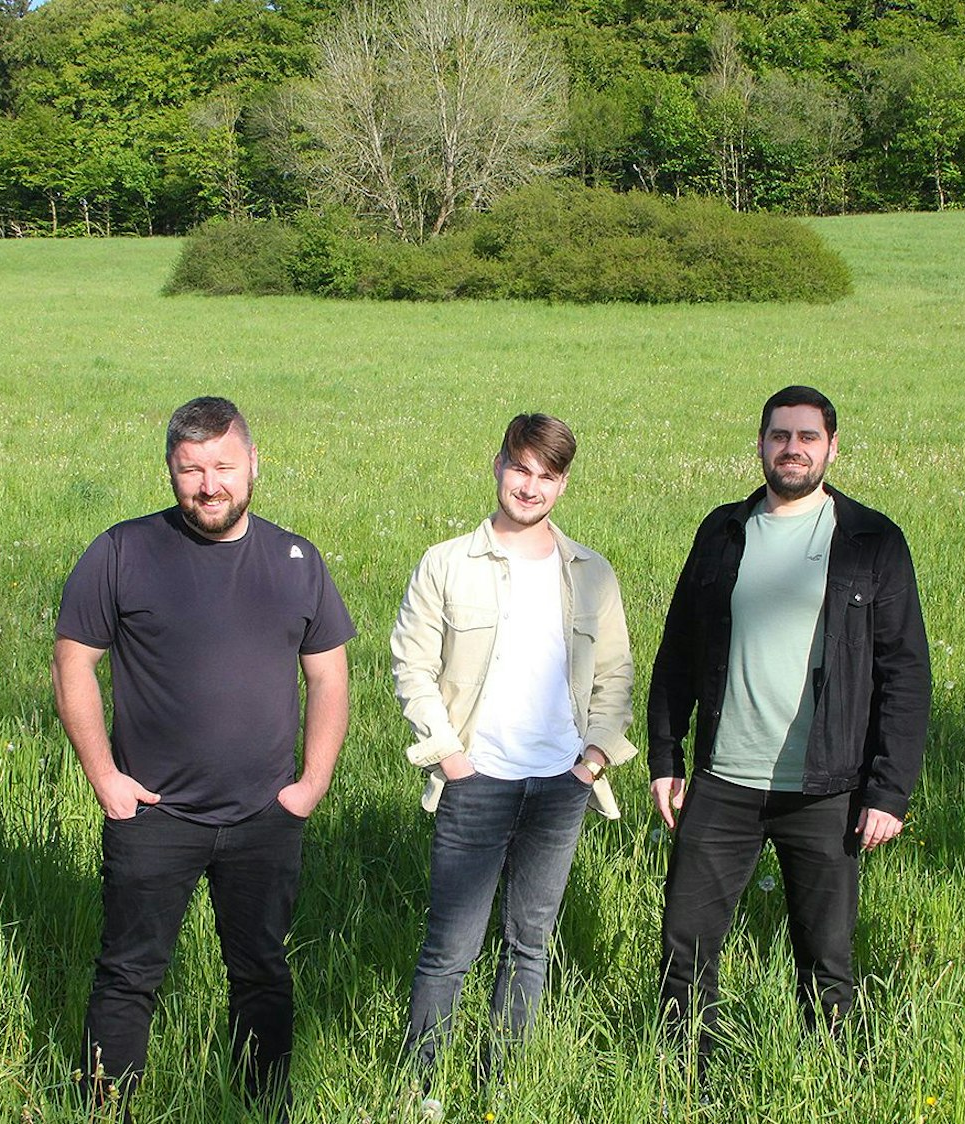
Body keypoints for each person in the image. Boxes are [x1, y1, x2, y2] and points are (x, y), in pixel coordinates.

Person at [52, 396, 354, 1114]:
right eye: (191, 469)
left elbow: (329, 674)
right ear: (169, 471)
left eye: (222, 465)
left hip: (264, 816)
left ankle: (261, 1105)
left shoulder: (295, 558)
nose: (208, 483)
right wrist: (106, 781)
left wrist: (310, 785)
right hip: (153, 815)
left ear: (253, 464)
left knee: (262, 972)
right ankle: (107, 1107)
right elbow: (72, 666)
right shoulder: (122, 551)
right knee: (128, 973)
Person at [649, 385, 930, 1063]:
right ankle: (683, 1083)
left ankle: (828, 1081)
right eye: (779, 435)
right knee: (684, 951)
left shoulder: (871, 539)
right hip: (723, 782)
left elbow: (905, 673)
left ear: (831, 446)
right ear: (760, 444)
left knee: (827, 960)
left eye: (807, 437)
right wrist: (665, 756)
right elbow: (678, 650)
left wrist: (888, 792)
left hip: (826, 786)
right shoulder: (722, 531)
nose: (792, 449)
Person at [389, 413, 637, 1080]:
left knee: (530, 945)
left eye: (546, 476)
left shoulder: (590, 572)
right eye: (520, 468)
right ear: (497, 465)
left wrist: (591, 761)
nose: (530, 486)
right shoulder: (446, 564)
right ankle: (421, 1087)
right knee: (449, 949)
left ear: (562, 484)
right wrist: (448, 755)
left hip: (561, 784)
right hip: (476, 779)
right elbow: (410, 666)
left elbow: (615, 674)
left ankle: (501, 1083)